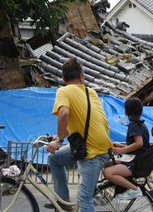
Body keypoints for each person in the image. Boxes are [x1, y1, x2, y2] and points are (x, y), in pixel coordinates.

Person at [45, 58, 113, 211]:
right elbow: (83, 121)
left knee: (84, 198)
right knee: (54, 158)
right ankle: (63, 200)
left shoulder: (63, 91)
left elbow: (64, 114)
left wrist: (60, 140)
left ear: (63, 79)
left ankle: (68, 201)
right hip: (96, 144)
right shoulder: (91, 92)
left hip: (91, 151)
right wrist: (58, 136)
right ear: (82, 76)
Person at [103, 97, 150, 200]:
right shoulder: (142, 125)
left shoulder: (133, 125)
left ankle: (134, 189)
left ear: (126, 112)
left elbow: (139, 143)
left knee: (107, 172)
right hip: (139, 161)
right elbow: (138, 147)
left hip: (135, 163)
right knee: (107, 164)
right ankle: (118, 186)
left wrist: (121, 150)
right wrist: (119, 145)